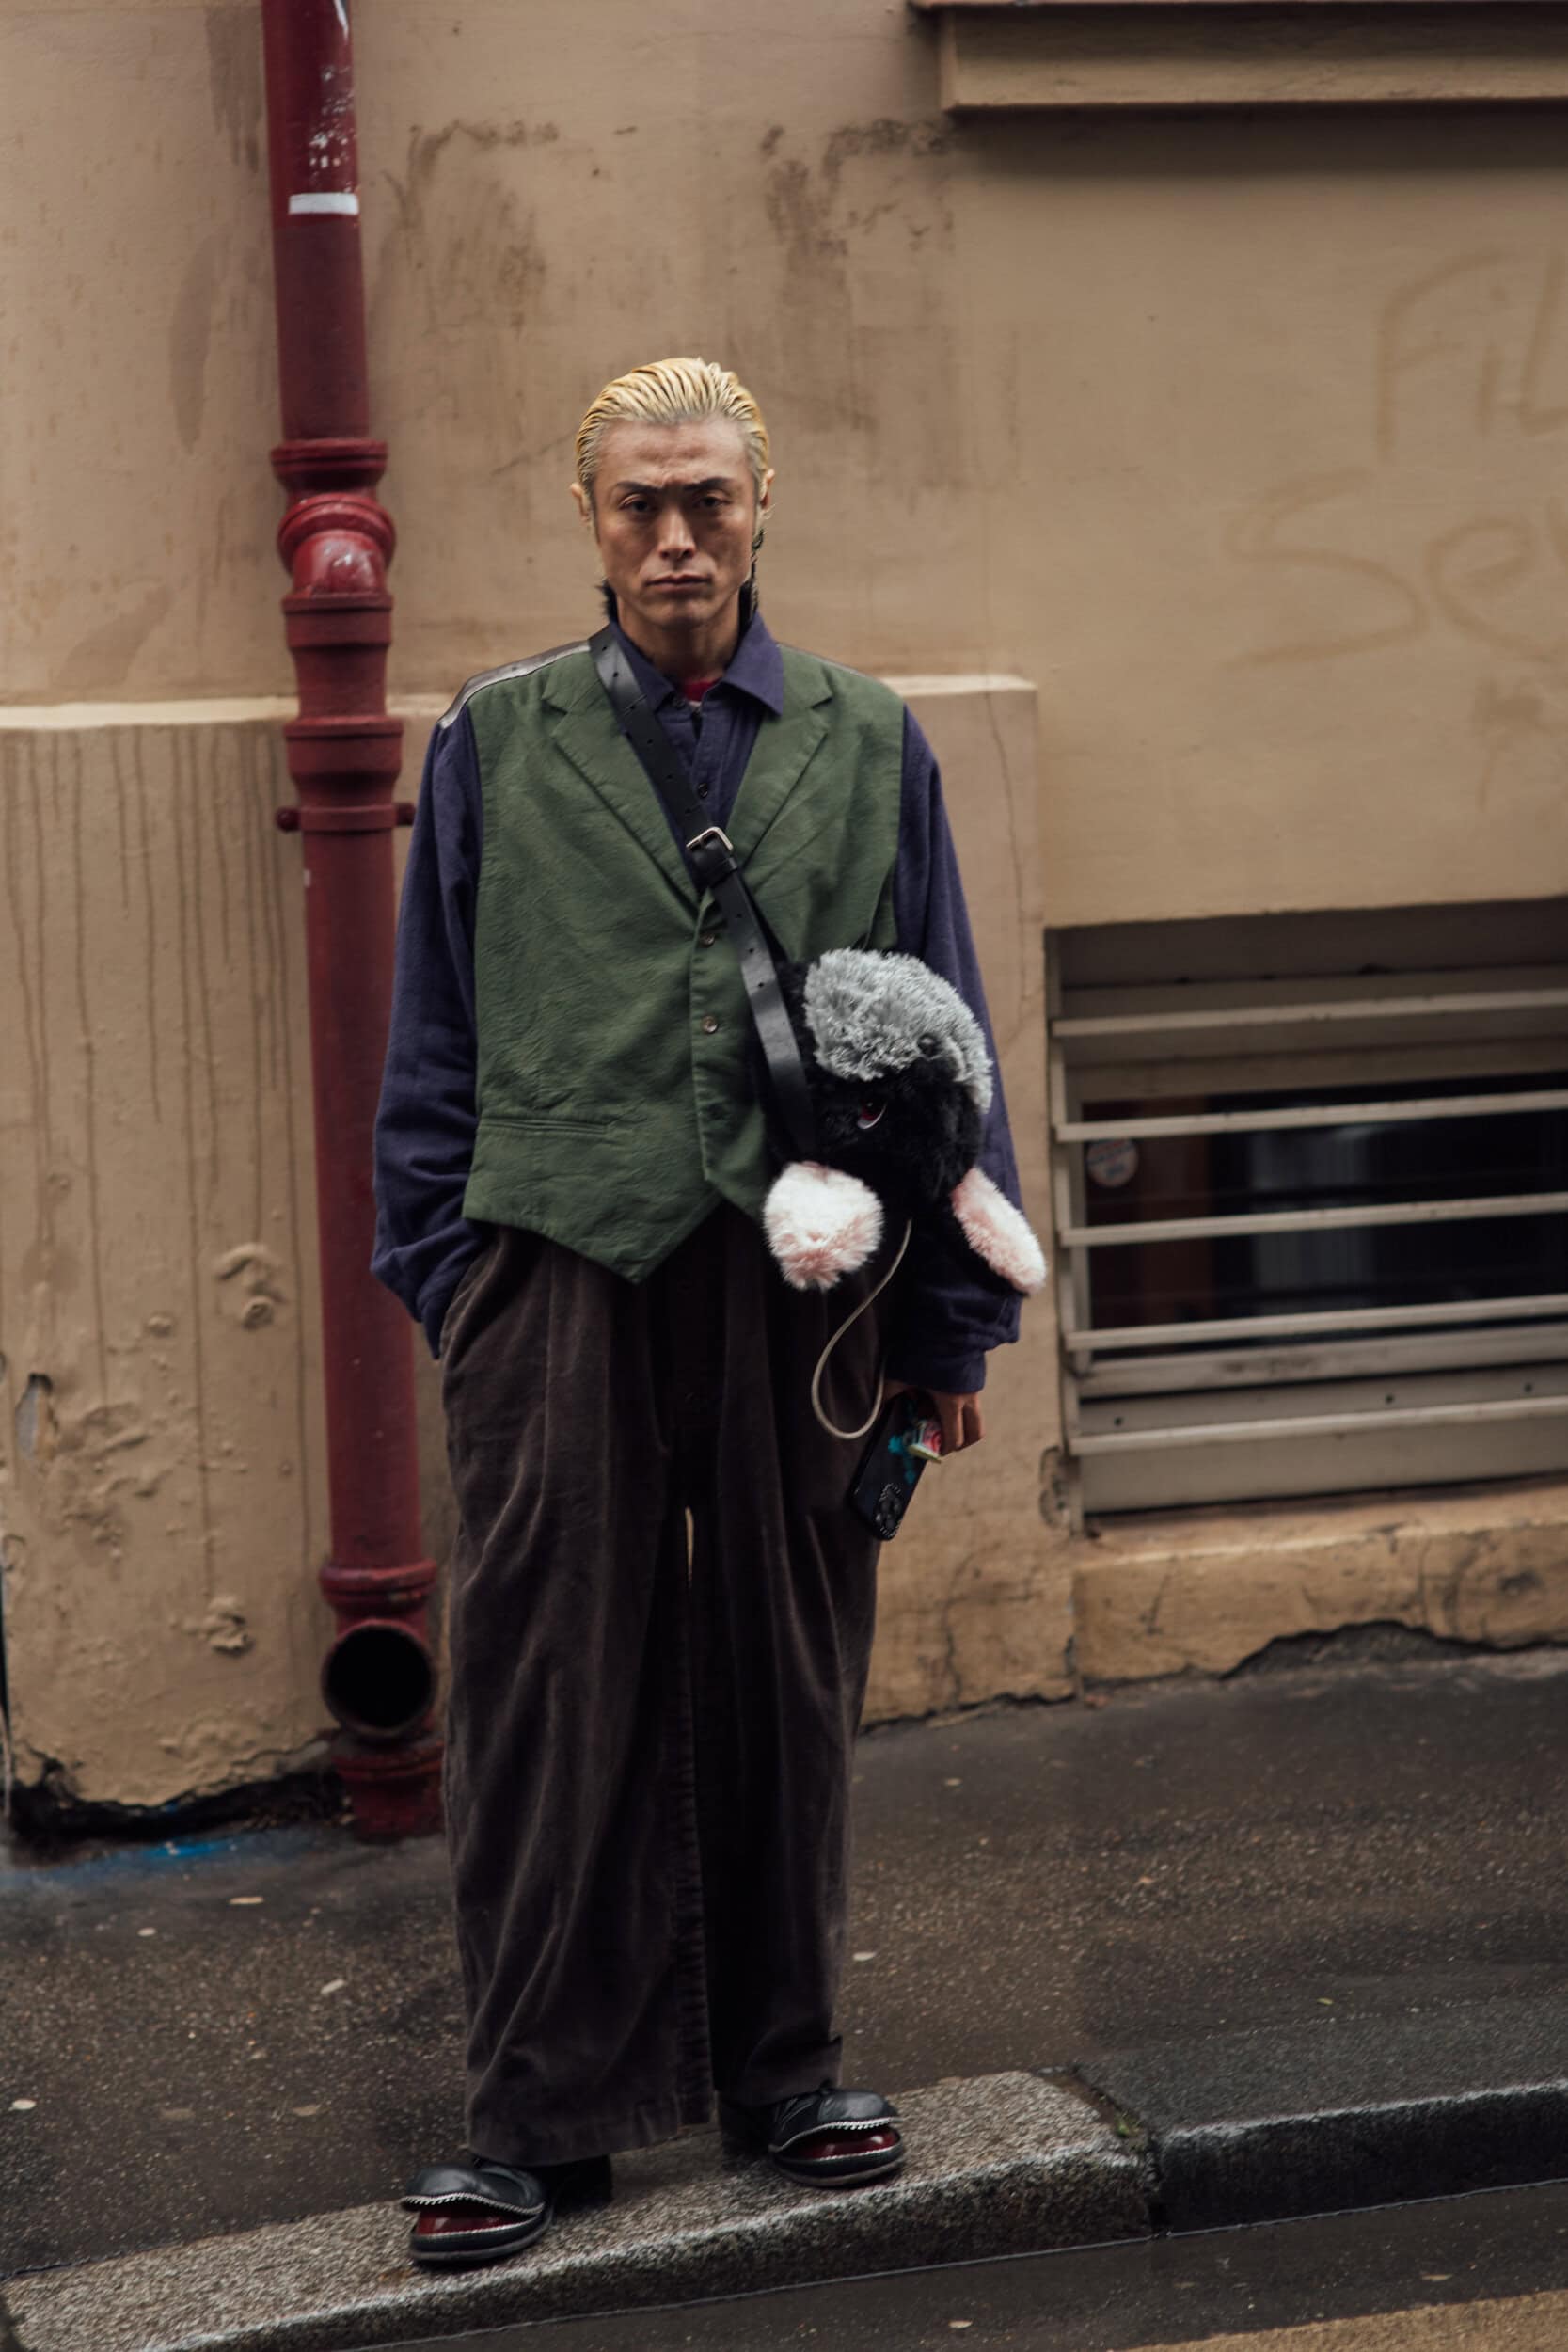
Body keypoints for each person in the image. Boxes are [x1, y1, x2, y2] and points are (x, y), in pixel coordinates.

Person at [372, 357, 1029, 2269]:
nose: (676, 535)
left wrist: (947, 1333)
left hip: (807, 1278)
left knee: (788, 1668)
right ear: (593, 523)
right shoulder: (495, 735)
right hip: (552, 1267)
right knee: (542, 1687)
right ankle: (533, 2115)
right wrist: (456, 1284)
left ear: (759, 511)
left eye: (708, 499)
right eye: (640, 503)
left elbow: (945, 1040)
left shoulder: (868, 735)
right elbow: (431, 1035)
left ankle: (789, 2068)